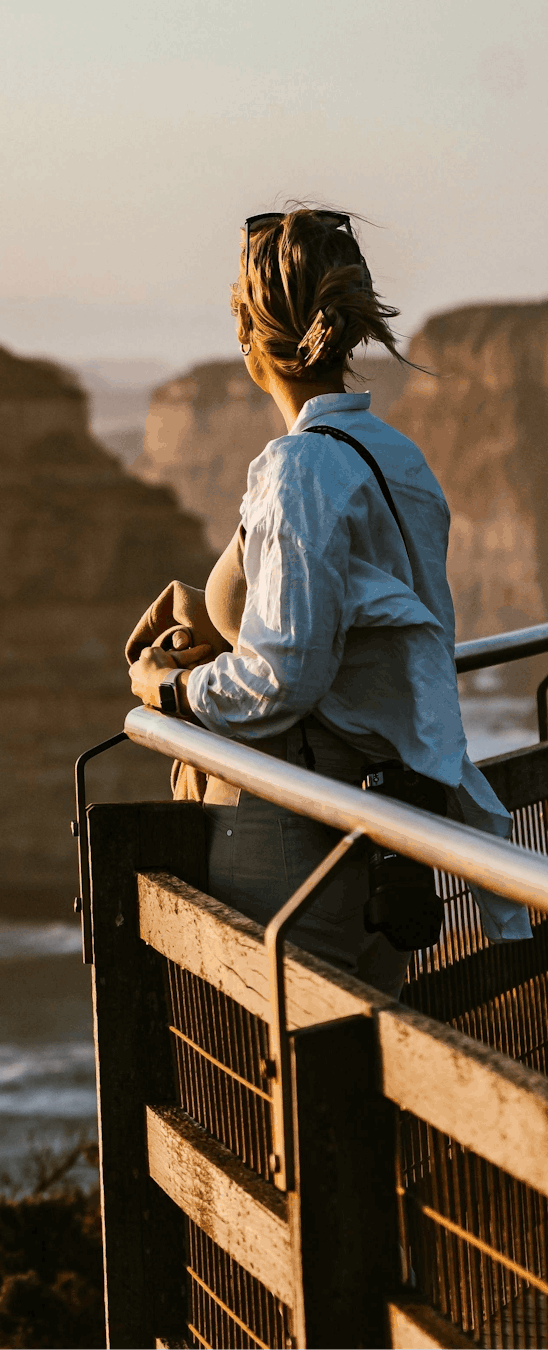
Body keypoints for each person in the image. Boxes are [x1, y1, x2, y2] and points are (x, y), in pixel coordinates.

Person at [126, 206, 529, 996]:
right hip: (383, 822)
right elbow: (361, 624)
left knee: (283, 1057)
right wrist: (216, 618)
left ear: (247, 337)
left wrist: (170, 688)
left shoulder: (297, 471)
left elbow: (282, 679)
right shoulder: (396, 456)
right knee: (369, 1045)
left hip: (290, 831)